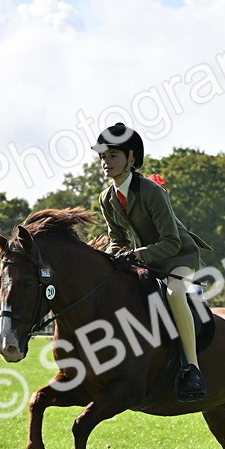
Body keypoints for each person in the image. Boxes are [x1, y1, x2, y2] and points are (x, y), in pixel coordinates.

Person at [91, 122, 212, 402]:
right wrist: (115, 254)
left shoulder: (151, 192)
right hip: (144, 259)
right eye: (102, 157)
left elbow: (172, 241)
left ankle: (192, 368)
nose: (106, 163)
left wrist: (138, 254)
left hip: (178, 256)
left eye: (113, 156)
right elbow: (116, 236)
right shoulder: (106, 197)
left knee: (174, 293)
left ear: (131, 159)